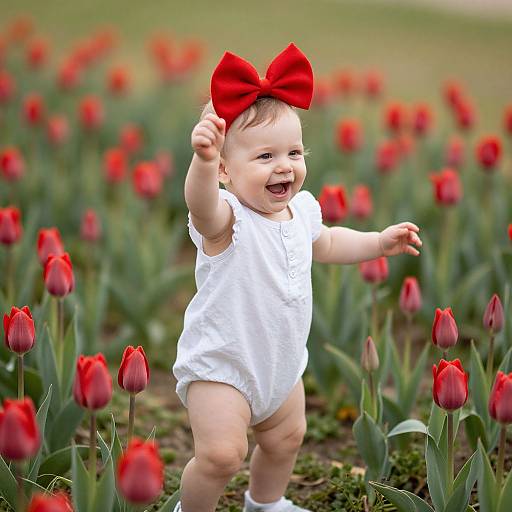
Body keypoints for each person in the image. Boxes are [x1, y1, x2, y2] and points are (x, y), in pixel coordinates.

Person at [171, 43, 422, 512]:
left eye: (293, 151)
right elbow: (200, 207)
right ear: (226, 170)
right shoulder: (228, 221)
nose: (284, 165)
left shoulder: (299, 213)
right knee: (222, 454)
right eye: (265, 156)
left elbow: (327, 242)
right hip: (224, 364)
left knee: (287, 437)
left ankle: (266, 502)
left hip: (280, 363)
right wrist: (202, 162)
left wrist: (377, 242)